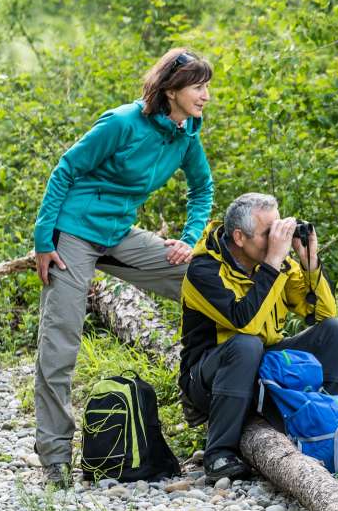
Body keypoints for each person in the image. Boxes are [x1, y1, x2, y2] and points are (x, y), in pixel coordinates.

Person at [33, 48, 214, 487]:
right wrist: (44, 239)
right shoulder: (121, 123)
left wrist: (188, 242)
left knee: (206, 287)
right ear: (171, 91)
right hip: (73, 233)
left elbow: (202, 189)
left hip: (119, 233)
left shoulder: (186, 134)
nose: (206, 96)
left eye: (207, 87)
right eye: (198, 87)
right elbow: (65, 169)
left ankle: (204, 405)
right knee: (61, 342)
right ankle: (55, 460)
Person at [179, 192, 338, 480]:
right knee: (247, 345)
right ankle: (218, 453)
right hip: (209, 377)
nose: (276, 239)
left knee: (337, 331)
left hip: (261, 364)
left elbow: (321, 313)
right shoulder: (203, 270)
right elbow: (243, 323)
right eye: (267, 233)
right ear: (239, 237)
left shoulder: (274, 262)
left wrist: (309, 261)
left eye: (278, 230)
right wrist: (273, 262)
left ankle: (321, 426)